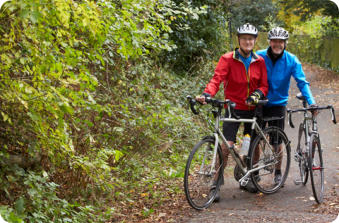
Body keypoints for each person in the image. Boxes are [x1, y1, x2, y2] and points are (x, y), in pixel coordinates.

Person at [196, 23, 268, 201]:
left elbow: (264, 86)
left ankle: (252, 176)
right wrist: (207, 94)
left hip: (253, 110)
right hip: (233, 108)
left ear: (255, 41)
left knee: (253, 145)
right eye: (244, 38)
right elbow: (216, 79)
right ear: (239, 40)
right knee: (226, 146)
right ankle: (216, 183)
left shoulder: (259, 61)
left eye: (251, 39)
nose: (247, 41)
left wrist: (256, 95)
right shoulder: (227, 59)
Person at [256, 27, 317, 185]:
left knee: (277, 140)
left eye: (280, 41)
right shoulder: (259, 56)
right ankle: (253, 171)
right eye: (274, 41)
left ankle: (278, 172)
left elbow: (302, 82)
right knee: (255, 138)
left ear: (285, 43)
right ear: (269, 42)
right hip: (260, 102)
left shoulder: (292, 60)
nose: (277, 44)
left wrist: (311, 102)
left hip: (278, 103)